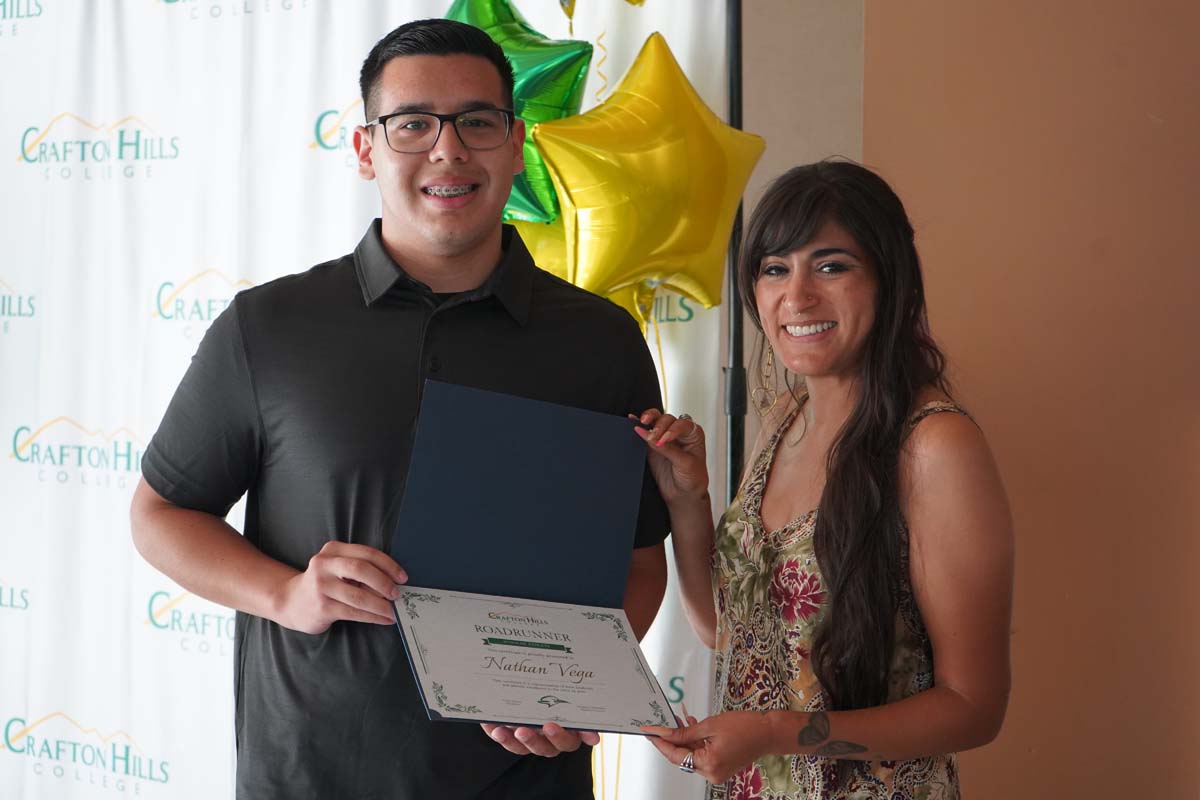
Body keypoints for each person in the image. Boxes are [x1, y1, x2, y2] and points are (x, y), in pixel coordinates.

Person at [130, 18, 669, 800]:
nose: (448, 150)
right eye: (412, 123)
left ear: (516, 144)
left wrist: (577, 687)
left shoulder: (600, 339)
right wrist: (286, 595)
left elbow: (638, 559)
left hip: (528, 779)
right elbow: (160, 514)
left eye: (477, 121)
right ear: (365, 150)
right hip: (313, 773)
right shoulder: (270, 326)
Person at [633, 160, 1013, 798]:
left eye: (832, 266)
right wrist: (688, 499)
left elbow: (975, 707)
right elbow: (728, 632)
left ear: (891, 281)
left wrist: (777, 733)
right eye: (775, 269)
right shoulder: (785, 418)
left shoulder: (935, 446)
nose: (798, 297)